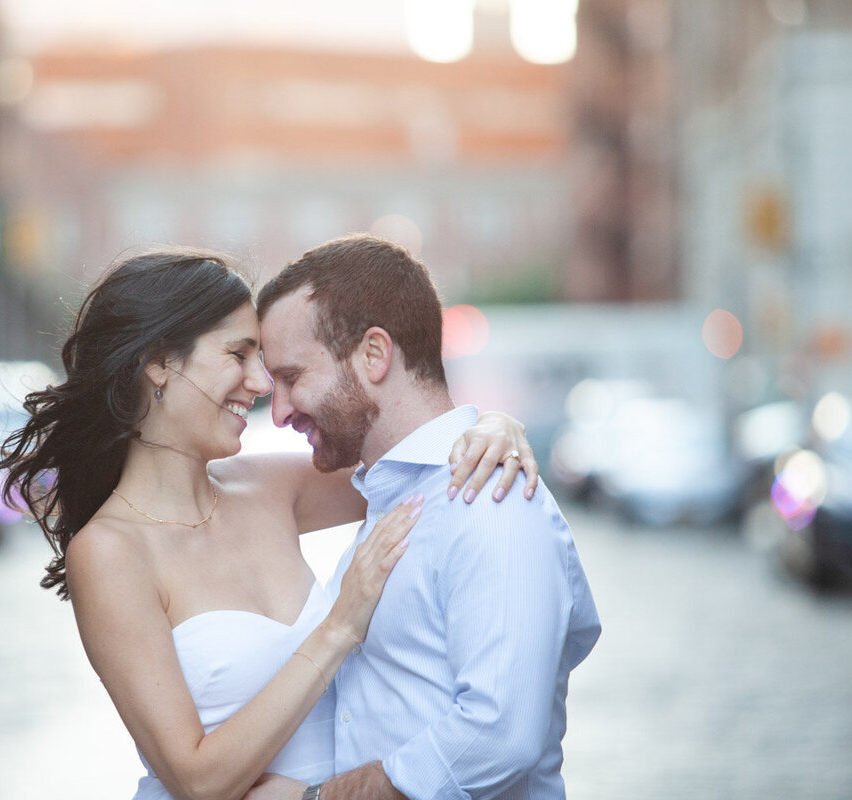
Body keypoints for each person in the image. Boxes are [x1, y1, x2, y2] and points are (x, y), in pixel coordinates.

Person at [0, 247, 541, 800]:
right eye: (239, 355)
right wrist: (339, 627)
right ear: (159, 362)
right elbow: (197, 781)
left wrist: (491, 427)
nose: (261, 384)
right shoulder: (109, 552)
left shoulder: (272, 486)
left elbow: (413, 459)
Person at [251, 234, 602, 800]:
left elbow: (501, 736)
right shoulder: (396, 493)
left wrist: (321, 799)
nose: (281, 409)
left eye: (292, 377)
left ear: (373, 354)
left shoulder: (491, 497)